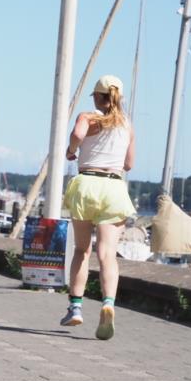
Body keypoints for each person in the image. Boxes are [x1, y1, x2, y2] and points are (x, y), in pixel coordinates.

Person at [61, 74, 136, 340]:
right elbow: (128, 164)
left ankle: (76, 308)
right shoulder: (126, 124)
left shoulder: (87, 117)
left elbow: (77, 134)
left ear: (96, 96)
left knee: (82, 250)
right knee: (107, 254)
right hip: (113, 187)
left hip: (87, 184)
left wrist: (72, 150)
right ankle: (107, 304)